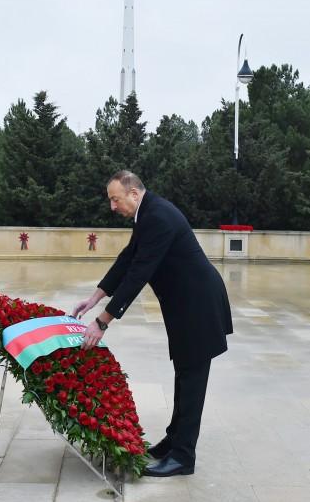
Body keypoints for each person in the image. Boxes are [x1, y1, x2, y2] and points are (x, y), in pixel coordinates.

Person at [73, 170, 232, 478]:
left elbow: (139, 273)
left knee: (192, 380)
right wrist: (95, 297)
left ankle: (183, 456)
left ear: (133, 193)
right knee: (184, 375)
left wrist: (102, 322)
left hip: (199, 306)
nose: (112, 206)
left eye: (115, 199)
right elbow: (128, 258)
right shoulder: (148, 214)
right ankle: (174, 440)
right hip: (187, 305)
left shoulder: (157, 216)